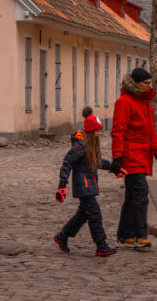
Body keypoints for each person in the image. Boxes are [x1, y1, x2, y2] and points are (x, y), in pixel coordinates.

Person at [110, 67, 157, 250]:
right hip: (131, 158)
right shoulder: (124, 102)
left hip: (142, 157)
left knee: (132, 196)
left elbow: (150, 132)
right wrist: (117, 157)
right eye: (147, 84)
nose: (150, 87)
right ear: (137, 84)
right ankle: (141, 237)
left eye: (151, 83)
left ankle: (124, 236)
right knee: (141, 195)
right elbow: (118, 131)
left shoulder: (146, 104)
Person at [53, 107, 117, 257]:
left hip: (88, 184)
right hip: (84, 186)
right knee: (95, 214)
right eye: (97, 130)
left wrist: (113, 167)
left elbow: (96, 162)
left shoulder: (90, 144)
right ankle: (101, 246)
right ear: (90, 131)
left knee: (83, 214)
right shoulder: (80, 146)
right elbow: (67, 163)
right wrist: (62, 185)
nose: (99, 133)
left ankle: (62, 236)